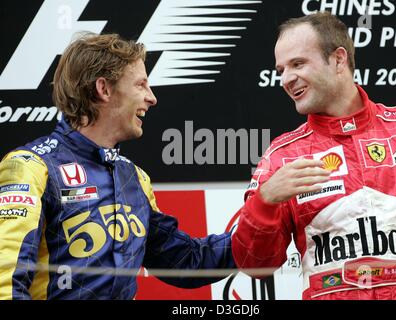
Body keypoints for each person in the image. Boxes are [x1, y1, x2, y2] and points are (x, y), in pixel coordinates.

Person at [0, 32, 235, 300]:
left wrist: (262, 212)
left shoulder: (133, 177)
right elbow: (6, 285)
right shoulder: (30, 168)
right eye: (141, 85)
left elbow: (187, 260)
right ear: (104, 89)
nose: (152, 98)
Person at [232, 11, 396, 300]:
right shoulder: (282, 156)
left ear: (338, 59)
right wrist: (264, 203)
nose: (286, 79)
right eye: (281, 70)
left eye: (297, 64)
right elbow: (255, 265)